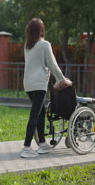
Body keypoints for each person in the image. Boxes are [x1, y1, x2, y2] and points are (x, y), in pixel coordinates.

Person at [21, 18, 72, 158]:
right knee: (34, 114)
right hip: (39, 84)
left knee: (41, 112)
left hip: (28, 84)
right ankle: (26, 147)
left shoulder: (27, 45)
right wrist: (63, 80)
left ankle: (42, 144)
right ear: (41, 30)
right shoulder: (44, 45)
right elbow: (52, 64)